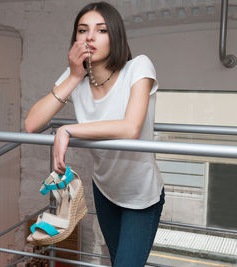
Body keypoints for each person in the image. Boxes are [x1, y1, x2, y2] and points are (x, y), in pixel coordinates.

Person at [25, 2, 164, 266]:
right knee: (115, 260)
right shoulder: (74, 76)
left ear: (116, 36)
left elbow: (130, 128)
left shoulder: (139, 68)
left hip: (141, 194)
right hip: (105, 189)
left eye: (101, 30)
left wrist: (68, 130)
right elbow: (32, 123)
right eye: (82, 30)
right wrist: (75, 77)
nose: (90, 36)